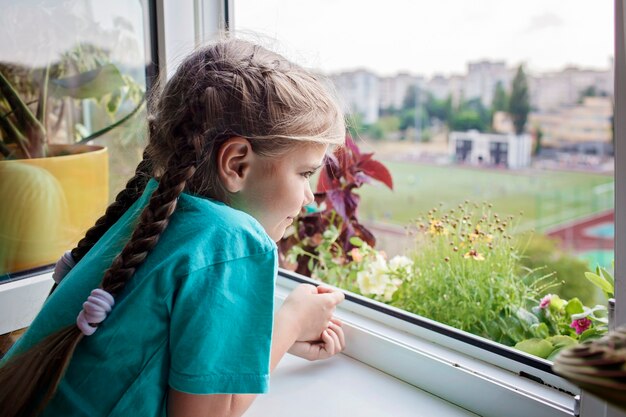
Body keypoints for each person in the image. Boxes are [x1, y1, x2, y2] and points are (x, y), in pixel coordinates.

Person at [0, 38, 347, 417]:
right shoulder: (230, 241)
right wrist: (292, 321)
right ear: (237, 164)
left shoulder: (153, 208)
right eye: (305, 173)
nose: (311, 197)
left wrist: (251, 344)